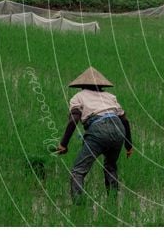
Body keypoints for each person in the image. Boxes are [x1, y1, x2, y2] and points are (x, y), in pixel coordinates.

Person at [55, 67, 133, 203]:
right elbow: (125, 120)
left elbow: (74, 119)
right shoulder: (110, 97)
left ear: (82, 85)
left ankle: (78, 206)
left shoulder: (78, 97)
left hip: (98, 129)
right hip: (118, 129)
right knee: (110, 167)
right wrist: (129, 146)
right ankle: (113, 203)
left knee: (78, 171)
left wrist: (63, 144)